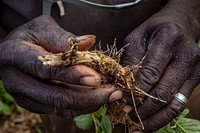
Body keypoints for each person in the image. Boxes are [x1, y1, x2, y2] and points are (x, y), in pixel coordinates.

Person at [0, 0, 200, 132]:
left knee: (168, 112)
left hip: (169, 57)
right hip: (55, 85)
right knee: (69, 120)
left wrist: (187, 12)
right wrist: (3, 49)